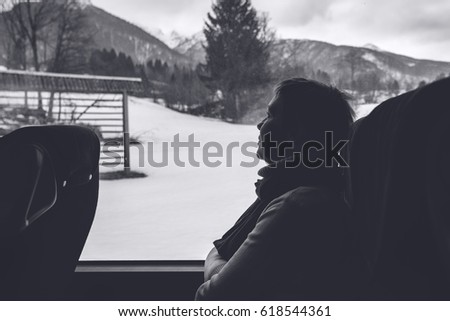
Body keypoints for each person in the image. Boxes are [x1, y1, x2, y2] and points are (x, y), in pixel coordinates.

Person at [195, 78, 355, 300]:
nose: (260, 125)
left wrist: (214, 259)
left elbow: (214, 298)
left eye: (270, 115)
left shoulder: (296, 205)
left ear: (297, 133)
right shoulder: (316, 189)